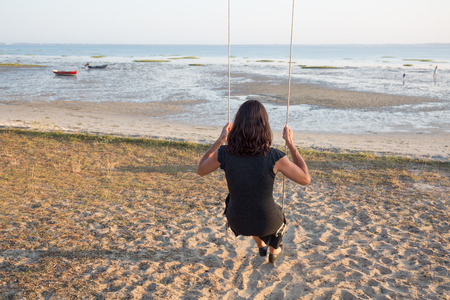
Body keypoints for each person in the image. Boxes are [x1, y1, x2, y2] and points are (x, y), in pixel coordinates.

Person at [197, 100, 311, 263]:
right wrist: (291, 144)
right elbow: (305, 179)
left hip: (237, 221)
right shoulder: (273, 156)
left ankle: (261, 245)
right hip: (266, 222)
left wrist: (220, 140)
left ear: (237, 125)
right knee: (274, 215)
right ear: (265, 127)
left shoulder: (224, 153)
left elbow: (200, 169)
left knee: (245, 205)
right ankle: (274, 250)